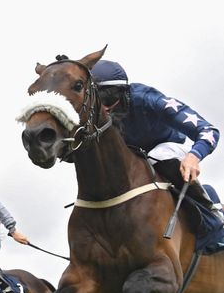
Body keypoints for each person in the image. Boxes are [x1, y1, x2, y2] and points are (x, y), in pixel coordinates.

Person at [91, 60, 223, 224]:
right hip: (135, 158)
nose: (102, 108)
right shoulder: (97, 117)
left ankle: (212, 218)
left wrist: (193, 156)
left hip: (170, 149)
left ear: (122, 91)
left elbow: (209, 131)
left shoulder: (148, 100)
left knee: (158, 155)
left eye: (106, 98)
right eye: (96, 100)